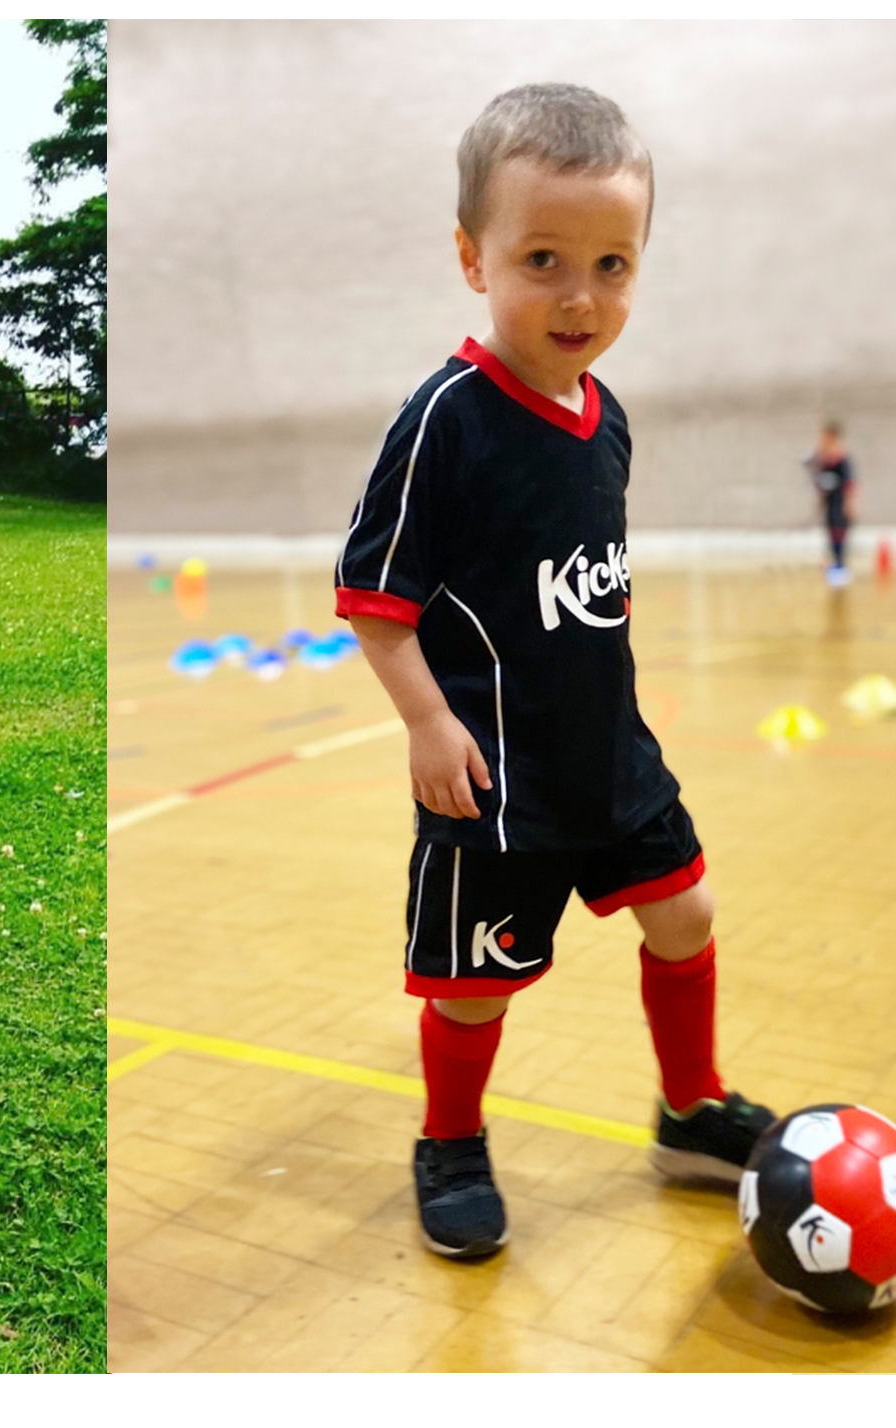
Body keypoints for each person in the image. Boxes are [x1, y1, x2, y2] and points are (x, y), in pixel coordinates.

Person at [336, 83, 774, 1259]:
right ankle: (449, 1138)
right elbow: (374, 606)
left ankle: (688, 1111)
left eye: (613, 265)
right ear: (472, 256)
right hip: (493, 777)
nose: (580, 297)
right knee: (474, 988)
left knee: (684, 911)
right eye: (543, 259)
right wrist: (428, 726)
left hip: (609, 753)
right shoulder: (448, 420)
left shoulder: (606, 415)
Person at [806, 421, 857, 587]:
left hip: (839, 502)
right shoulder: (823, 459)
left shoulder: (842, 458)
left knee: (839, 535)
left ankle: (841, 568)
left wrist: (850, 504)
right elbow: (818, 480)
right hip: (828, 503)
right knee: (829, 535)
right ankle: (833, 568)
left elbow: (851, 485)